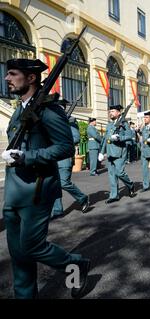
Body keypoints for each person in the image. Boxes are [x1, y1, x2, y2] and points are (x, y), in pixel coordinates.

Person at [1, 58, 90, 298]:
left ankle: (76, 265)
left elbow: (65, 147)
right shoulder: (20, 109)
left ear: (30, 78)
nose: (7, 78)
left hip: (37, 190)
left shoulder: (49, 110)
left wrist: (26, 156)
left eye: (12, 74)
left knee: (32, 246)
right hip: (14, 192)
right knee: (19, 254)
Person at [51, 100, 90, 218]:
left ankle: (82, 198)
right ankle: (57, 210)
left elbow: (76, 138)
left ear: (62, 108)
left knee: (63, 182)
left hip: (64, 157)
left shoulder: (70, 120)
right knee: (54, 185)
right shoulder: (52, 122)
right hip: (52, 157)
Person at [99, 104, 136, 204]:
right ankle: (114, 195)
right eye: (110, 111)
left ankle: (130, 185)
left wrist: (119, 138)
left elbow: (130, 136)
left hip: (120, 151)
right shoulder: (109, 125)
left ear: (119, 113)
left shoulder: (124, 124)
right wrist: (102, 152)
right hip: (110, 152)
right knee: (112, 175)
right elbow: (105, 139)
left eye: (113, 111)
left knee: (120, 173)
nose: (111, 113)